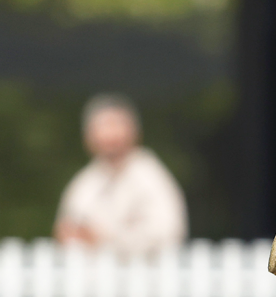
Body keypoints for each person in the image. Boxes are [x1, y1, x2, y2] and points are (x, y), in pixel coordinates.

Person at [54, 94, 188, 258]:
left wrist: (105, 238)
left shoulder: (150, 177)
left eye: (115, 125)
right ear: (88, 137)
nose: (109, 134)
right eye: (102, 127)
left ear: (134, 132)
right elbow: (69, 229)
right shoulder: (85, 183)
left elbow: (168, 231)